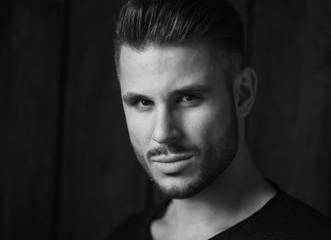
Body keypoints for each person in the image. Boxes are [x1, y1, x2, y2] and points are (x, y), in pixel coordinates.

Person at [108, 0, 331, 239]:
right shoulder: (124, 234)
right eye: (143, 103)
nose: (162, 133)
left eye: (188, 97)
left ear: (243, 94)